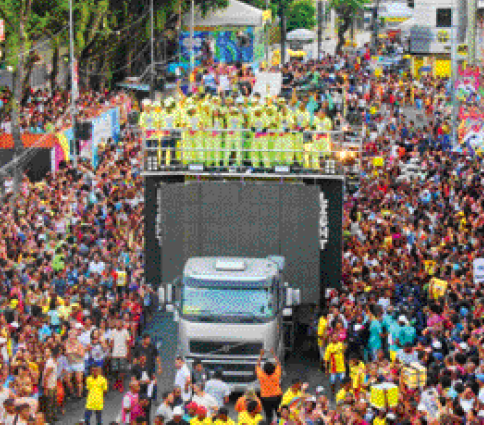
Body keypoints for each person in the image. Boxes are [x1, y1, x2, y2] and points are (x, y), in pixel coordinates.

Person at [255, 349, 282, 422]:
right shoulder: (276, 375)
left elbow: (257, 365)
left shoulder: (261, 376)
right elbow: (279, 364)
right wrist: (274, 354)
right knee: (279, 413)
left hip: (265, 398)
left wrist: (261, 355)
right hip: (277, 396)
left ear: (264, 370)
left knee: (268, 415)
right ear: (273, 369)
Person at [109, 320, 130, 393]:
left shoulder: (125, 332)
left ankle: (121, 384)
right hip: (114, 354)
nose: (118, 324)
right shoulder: (113, 331)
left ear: (122, 324)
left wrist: (128, 353)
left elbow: (128, 343)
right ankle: (117, 382)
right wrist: (110, 352)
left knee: (122, 370)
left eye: (119, 323)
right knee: (115, 370)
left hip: (123, 353)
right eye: (117, 323)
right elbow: (111, 343)